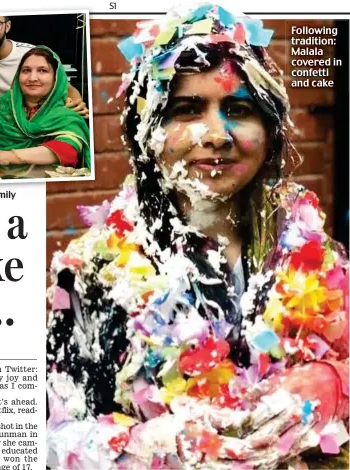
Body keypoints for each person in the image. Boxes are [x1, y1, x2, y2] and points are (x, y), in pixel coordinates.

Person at [46, 4, 348, 469]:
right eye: (186, 109)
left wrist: (335, 383)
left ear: (269, 130)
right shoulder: (94, 271)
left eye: (239, 109)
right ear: (146, 130)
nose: (216, 134)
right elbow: (51, 434)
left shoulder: (312, 252)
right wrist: (152, 448)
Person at [0, 46, 90, 178]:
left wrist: (10, 156)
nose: (32, 78)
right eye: (26, 70)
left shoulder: (66, 112)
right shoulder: (2, 108)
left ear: (56, 78)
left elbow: (67, 149)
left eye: (42, 71)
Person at [0, 15, 89, 117]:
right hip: (0, 129)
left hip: (38, 123)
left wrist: (76, 104)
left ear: (7, 26)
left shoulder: (30, 54)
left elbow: (68, 89)